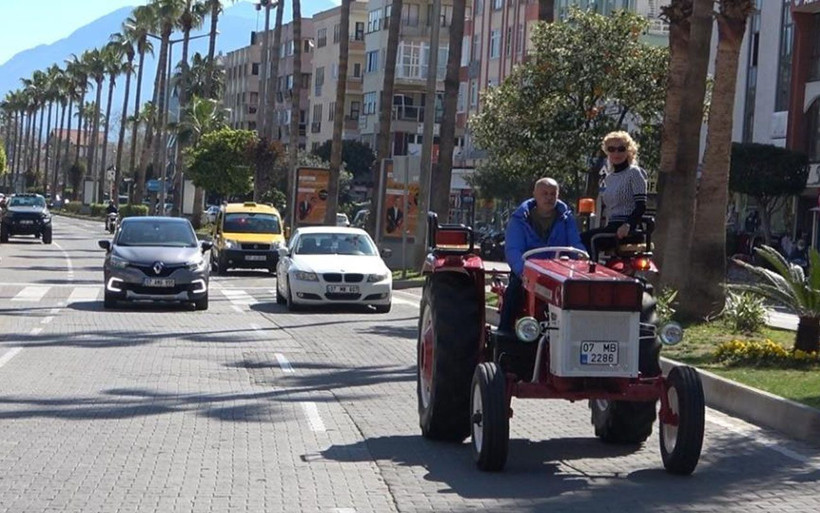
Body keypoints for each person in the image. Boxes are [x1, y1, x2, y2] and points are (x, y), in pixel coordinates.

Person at [498, 177, 585, 334]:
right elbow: (513, 250)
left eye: (553, 194)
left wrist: (582, 257)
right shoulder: (519, 220)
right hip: (528, 274)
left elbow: (575, 243)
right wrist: (523, 272)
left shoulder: (566, 219)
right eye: (544, 193)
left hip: (559, 274)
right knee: (513, 294)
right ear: (535, 195)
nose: (549, 197)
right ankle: (505, 336)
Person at [580, 131, 648, 259]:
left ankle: (589, 275)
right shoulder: (609, 178)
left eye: (621, 149)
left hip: (629, 229)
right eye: (611, 149)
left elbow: (641, 206)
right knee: (579, 238)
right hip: (611, 227)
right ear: (607, 152)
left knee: (589, 239)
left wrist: (627, 225)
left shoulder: (634, 173)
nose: (616, 153)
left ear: (629, 151)